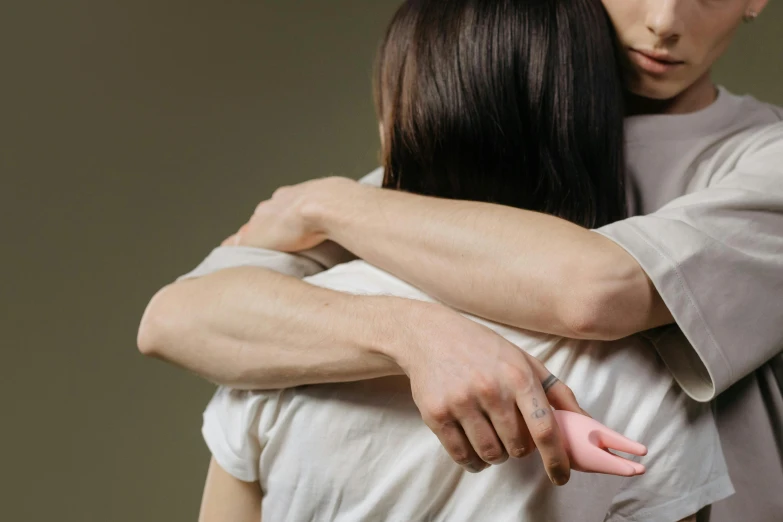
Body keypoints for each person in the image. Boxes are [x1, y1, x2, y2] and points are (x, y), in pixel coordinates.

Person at [139, 0, 782, 520]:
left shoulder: (762, 161)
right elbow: (177, 318)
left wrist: (327, 204)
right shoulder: (457, 163)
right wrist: (417, 336)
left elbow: (595, 290)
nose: (665, 20)